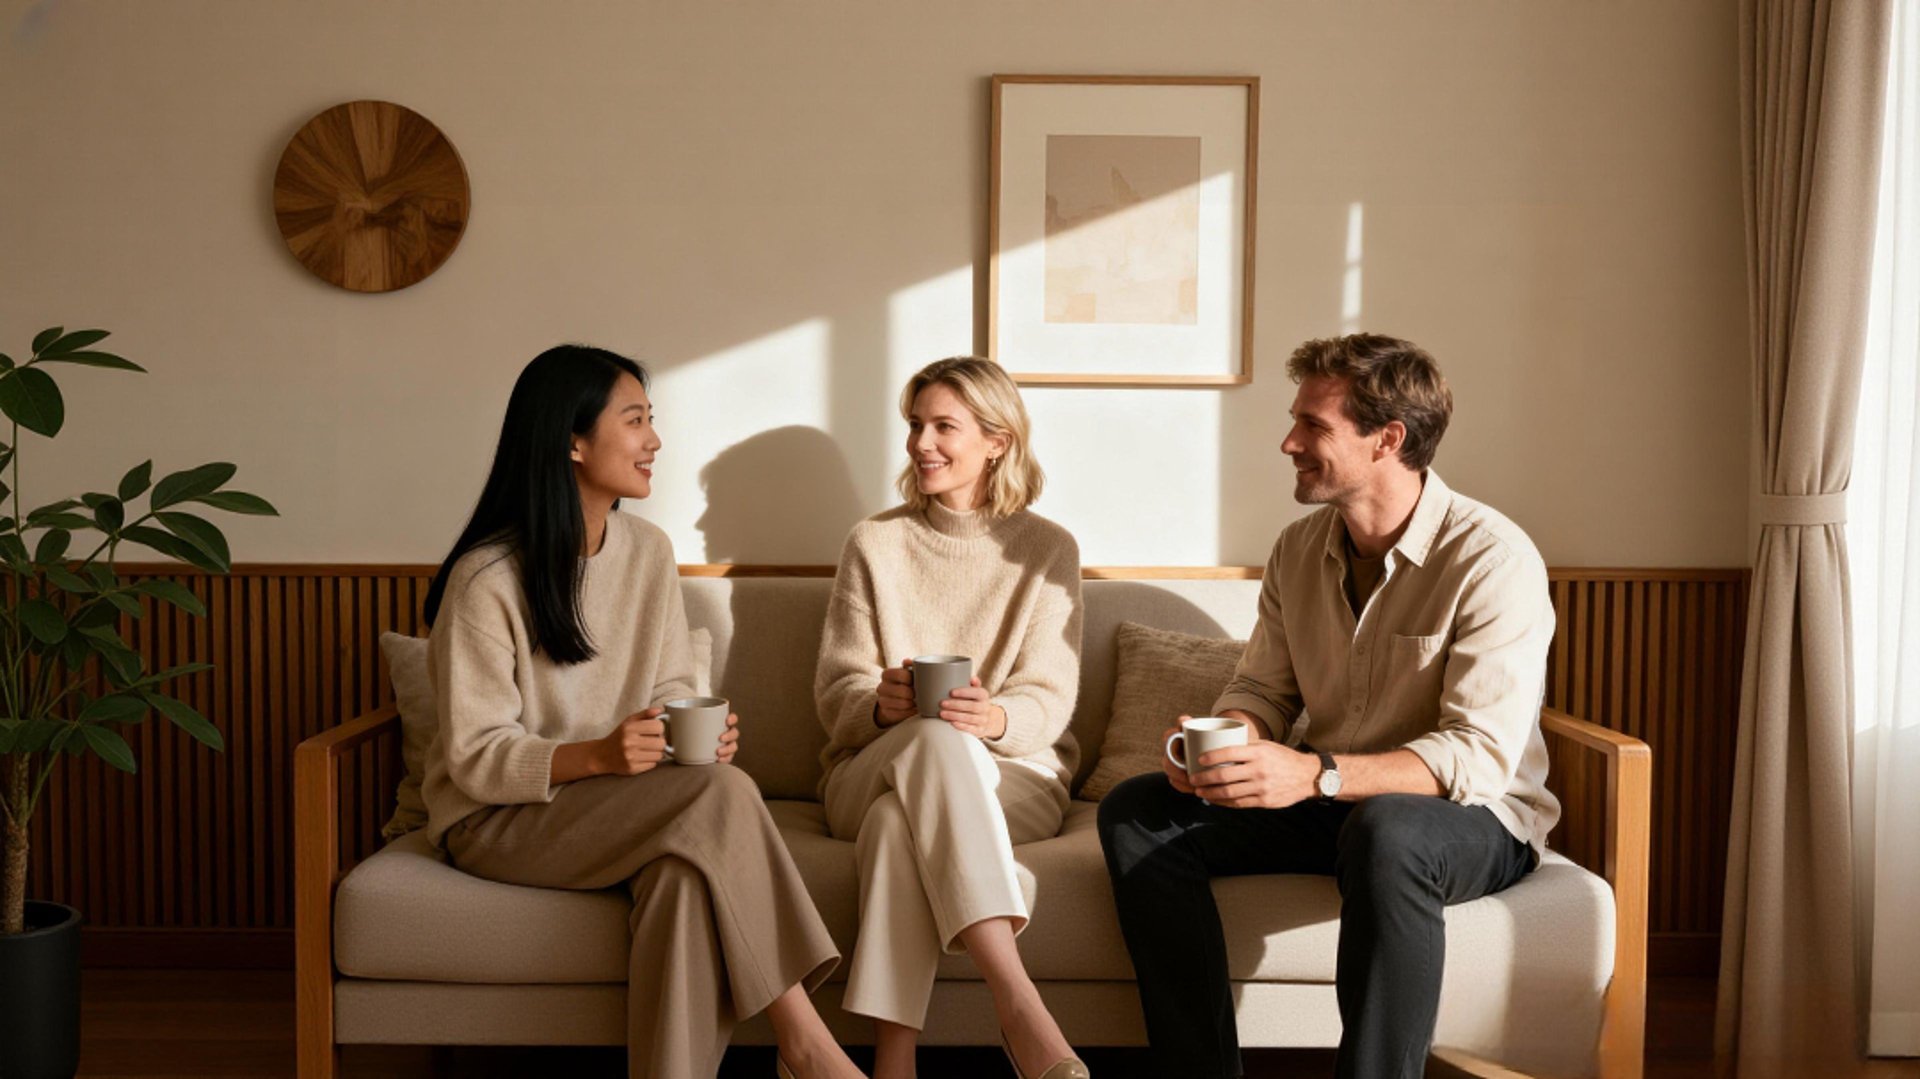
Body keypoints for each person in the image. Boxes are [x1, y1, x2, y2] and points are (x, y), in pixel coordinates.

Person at [1097, 333, 1560, 1079]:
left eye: (1313, 425)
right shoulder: (1296, 550)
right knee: (1137, 811)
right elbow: (1264, 690)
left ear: (1389, 439)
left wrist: (1314, 776)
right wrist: (1229, 743)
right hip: (1337, 799)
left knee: (1390, 830)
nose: (1289, 441)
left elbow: (1476, 755)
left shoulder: (1492, 559)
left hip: (1472, 814)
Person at [419, 344, 864, 1079]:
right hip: (496, 818)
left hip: (618, 805)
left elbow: (666, 686)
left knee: (685, 880)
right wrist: (595, 755)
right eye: (634, 420)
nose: (654, 439)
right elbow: (472, 753)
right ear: (572, 438)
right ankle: (806, 1042)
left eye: (650, 419)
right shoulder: (488, 578)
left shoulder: (649, 551)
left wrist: (695, 732)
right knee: (723, 795)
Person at [813, 357, 1089, 1079]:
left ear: (997, 440)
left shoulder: (1049, 550)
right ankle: (1018, 1001)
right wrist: (878, 705)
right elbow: (837, 691)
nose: (920, 443)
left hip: (1011, 777)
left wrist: (995, 718)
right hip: (869, 769)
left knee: (897, 829)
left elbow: (1050, 698)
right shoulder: (873, 543)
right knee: (927, 746)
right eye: (914, 425)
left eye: (943, 426)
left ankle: (894, 1061)